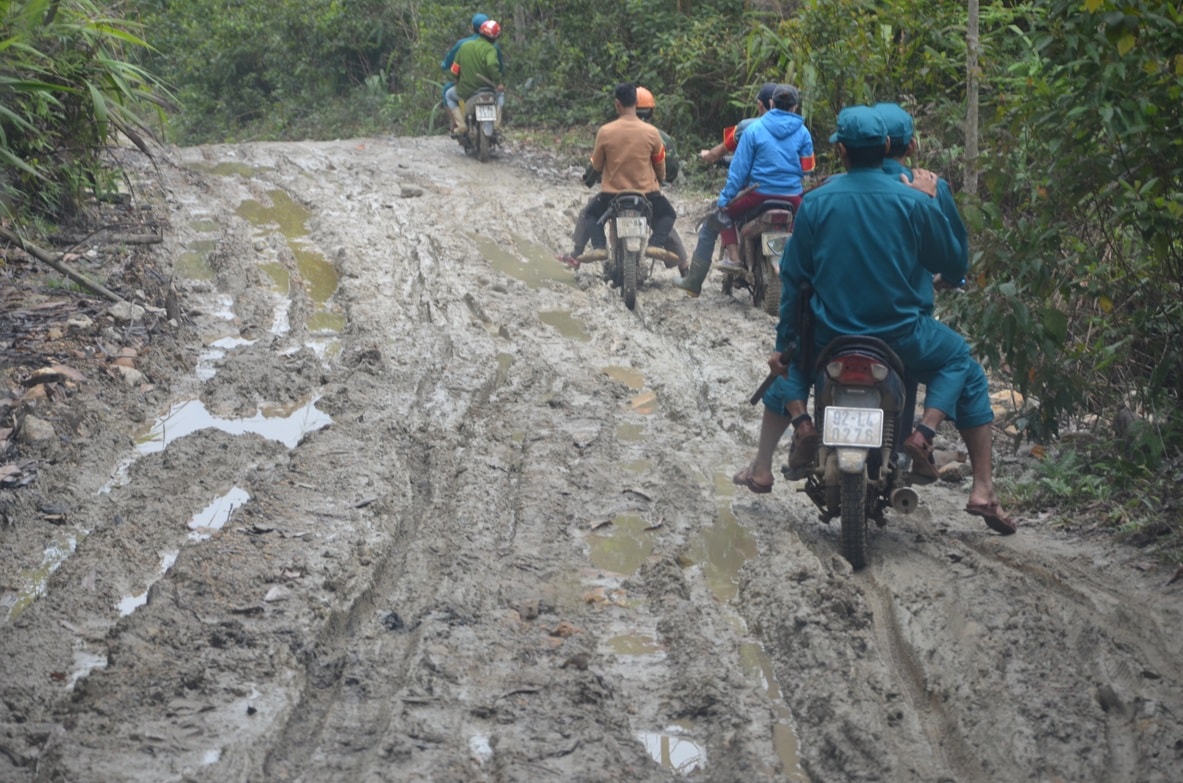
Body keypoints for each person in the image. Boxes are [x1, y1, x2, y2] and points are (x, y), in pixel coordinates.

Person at [732, 105, 1015, 536]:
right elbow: (954, 264)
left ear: (841, 151)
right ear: (891, 147)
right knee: (961, 363)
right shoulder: (915, 198)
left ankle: (787, 442)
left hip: (830, 336)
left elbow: (793, 279)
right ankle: (947, 455)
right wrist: (933, 204)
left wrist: (785, 340)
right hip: (903, 338)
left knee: (788, 360)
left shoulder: (816, 201)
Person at [677, 84, 816, 296]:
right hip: (793, 199)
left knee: (720, 214)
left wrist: (725, 200)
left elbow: (738, 171)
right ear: (795, 107)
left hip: (758, 195)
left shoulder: (753, 129)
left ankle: (705, 276)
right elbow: (808, 169)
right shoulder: (803, 132)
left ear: (770, 103)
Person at [561, 86, 685, 273]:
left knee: (590, 214)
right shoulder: (653, 133)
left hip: (612, 195)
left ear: (617, 104)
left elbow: (596, 165)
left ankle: (599, 246)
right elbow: (661, 166)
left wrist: (589, 179)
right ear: (637, 104)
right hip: (646, 194)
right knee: (668, 215)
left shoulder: (605, 131)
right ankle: (656, 245)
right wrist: (658, 180)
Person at [875, 102, 968, 298]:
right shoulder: (934, 187)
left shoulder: (828, 192)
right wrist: (951, 277)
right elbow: (956, 262)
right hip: (907, 312)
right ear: (911, 147)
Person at [445, 19, 505, 137]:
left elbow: (454, 70)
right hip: (488, 90)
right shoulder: (490, 49)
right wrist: (498, 83)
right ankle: (497, 125)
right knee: (501, 95)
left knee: (448, 95)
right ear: (495, 37)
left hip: (466, 91)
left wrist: (456, 79)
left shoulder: (464, 47)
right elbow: (492, 65)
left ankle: (461, 125)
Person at [698, 82, 779, 166]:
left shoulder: (746, 126)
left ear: (760, 105)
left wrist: (707, 155)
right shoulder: (793, 127)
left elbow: (717, 154)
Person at [440, 13, 493, 106]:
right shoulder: (493, 45)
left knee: (447, 92)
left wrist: (444, 66)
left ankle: (456, 120)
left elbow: (449, 64)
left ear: (472, 27)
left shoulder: (462, 44)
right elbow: (500, 68)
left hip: (467, 87)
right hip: (490, 87)